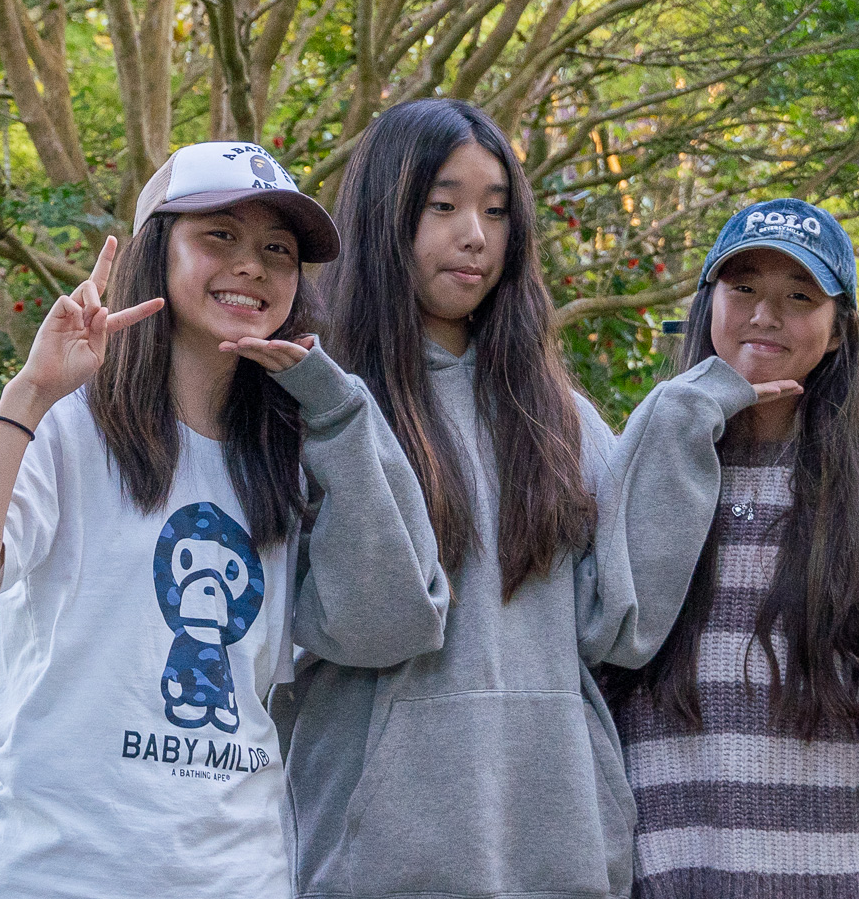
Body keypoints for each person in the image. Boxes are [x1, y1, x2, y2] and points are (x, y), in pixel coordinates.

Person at [0, 141, 448, 899]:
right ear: (155, 252)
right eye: (219, 235)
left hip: (238, 876)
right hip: (54, 874)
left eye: (278, 250)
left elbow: (394, 620)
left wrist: (338, 413)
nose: (252, 266)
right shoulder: (69, 426)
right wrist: (28, 394)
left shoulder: (294, 456)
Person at [279, 98, 763, 899]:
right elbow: (355, 624)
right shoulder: (318, 411)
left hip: (559, 855)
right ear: (384, 216)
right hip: (377, 866)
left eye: (496, 210)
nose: (475, 234)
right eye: (444, 206)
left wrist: (687, 415)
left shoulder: (556, 415)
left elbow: (617, 620)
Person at [604, 197, 859, 899]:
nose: (765, 315)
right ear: (709, 305)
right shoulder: (643, 476)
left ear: (836, 333)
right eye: (743, 288)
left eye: (799, 295)